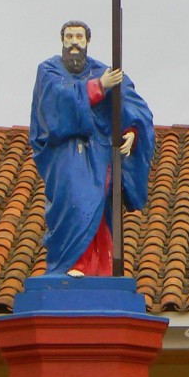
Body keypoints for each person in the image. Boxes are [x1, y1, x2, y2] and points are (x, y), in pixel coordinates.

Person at [29, 20, 155, 276]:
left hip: (99, 155)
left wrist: (132, 131)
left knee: (98, 206)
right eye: (69, 36)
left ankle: (100, 267)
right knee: (74, 200)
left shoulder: (102, 70)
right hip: (65, 156)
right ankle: (71, 263)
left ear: (87, 41)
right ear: (62, 40)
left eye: (79, 36)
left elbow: (131, 103)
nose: (74, 41)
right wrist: (99, 86)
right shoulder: (49, 70)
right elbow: (55, 100)